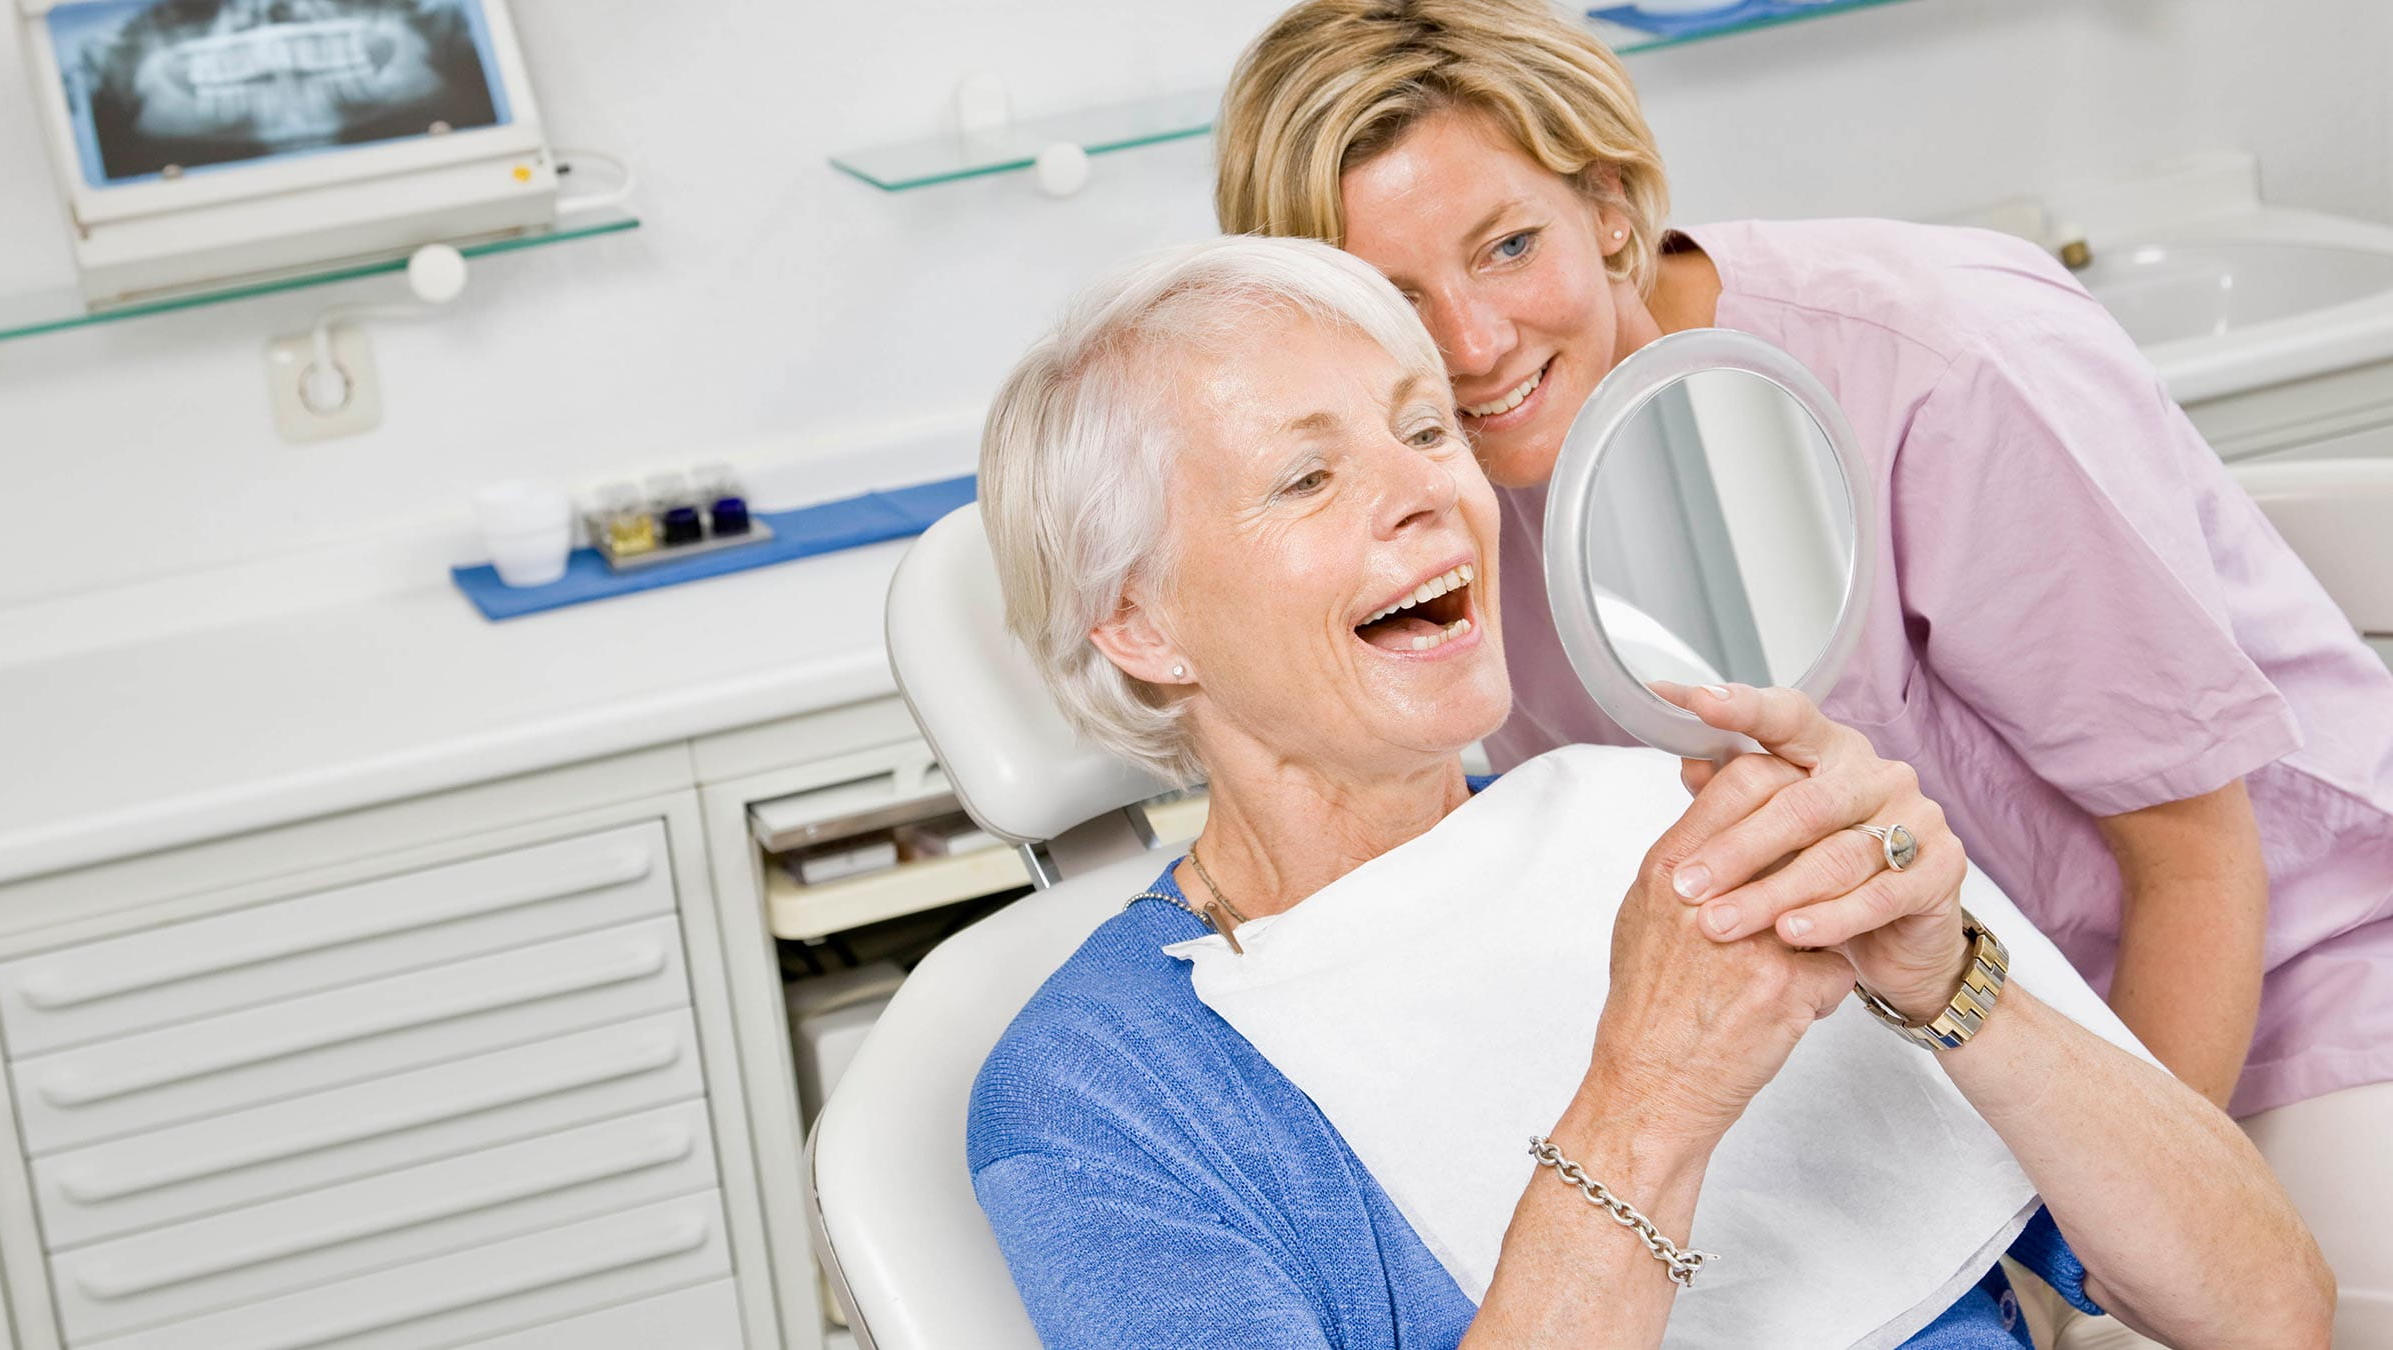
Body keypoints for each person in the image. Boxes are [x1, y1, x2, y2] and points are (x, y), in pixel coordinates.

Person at [1213, 4, 2393, 1341]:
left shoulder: (1935, 369)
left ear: (1606, 202)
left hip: (2285, 1000)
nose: (1476, 345)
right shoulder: (1463, 512)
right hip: (1936, 1077)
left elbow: (2193, 857)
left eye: (1510, 245)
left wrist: (2096, 1278)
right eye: (1400, 300)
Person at [966, 235, 2329, 1350]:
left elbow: (2268, 1307)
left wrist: (1951, 981)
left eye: (1426, 428)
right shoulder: (1103, 1094)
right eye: (1310, 475)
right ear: (1138, 626)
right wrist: (1650, 1095)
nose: (1430, 496)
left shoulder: (1676, 818)